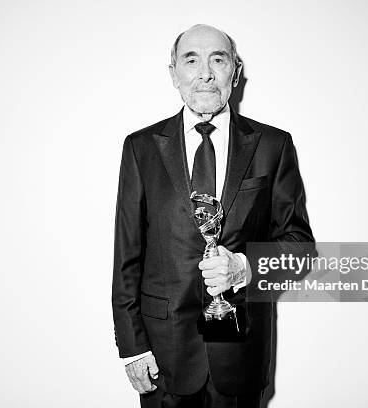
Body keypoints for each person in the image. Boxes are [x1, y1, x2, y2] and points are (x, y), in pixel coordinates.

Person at [112, 24, 314, 408]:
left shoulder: (274, 146)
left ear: (235, 73)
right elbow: (126, 256)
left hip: (240, 352)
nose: (205, 72)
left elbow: (301, 248)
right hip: (162, 354)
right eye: (191, 60)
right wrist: (132, 347)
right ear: (174, 73)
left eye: (217, 59)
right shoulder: (140, 148)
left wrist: (243, 266)